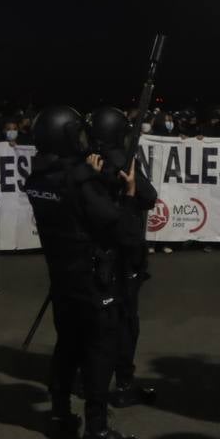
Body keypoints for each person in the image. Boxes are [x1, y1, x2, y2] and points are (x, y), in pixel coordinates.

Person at [25, 104, 137, 439]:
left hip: (61, 276)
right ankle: (97, 429)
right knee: (99, 351)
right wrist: (127, 193)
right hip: (92, 279)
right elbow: (115, 225)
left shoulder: (38, 176)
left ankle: (60, 414)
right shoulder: (79, 178)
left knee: (66, 346)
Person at [88, 105, 159, 408]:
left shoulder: (87, 159)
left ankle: (95, 378)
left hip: (94, 252)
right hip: (123, 253)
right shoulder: (121, 160)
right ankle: (123, 383)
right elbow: (148, 196)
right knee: (126, 322)